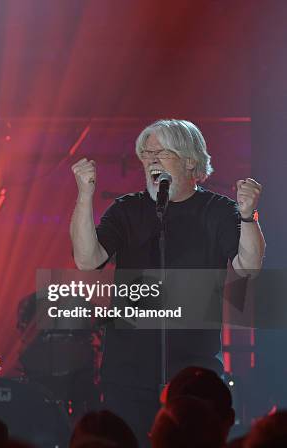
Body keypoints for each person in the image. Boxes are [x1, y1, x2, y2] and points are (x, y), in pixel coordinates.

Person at [70, 119, 265, 445]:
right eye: (146, 154)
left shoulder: (217, 211)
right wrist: (85, 196)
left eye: (161, 152)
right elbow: (88, 260)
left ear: (191, 160)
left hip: (194, 373)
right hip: (129, 370)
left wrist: (248, 216)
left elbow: (249, 266)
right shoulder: (127, 209)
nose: (152, 161)